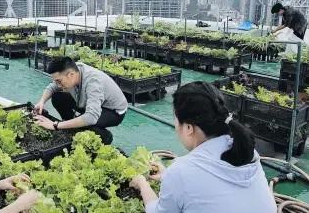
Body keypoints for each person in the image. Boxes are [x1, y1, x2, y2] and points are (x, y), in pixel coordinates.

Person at [130, 81, 276, 213]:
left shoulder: (180, 171)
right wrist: (168, 177)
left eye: (175, 119)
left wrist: (143, 184)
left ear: (188, 128)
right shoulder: (246, 152)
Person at [33, 56, 128, 143]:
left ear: (71, 75)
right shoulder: (74, 69)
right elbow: (52, 87)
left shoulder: (93, 82)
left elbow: (91, 117)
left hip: (112, 111)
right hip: (87, 102)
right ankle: (70, 126)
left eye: (59, 81)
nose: (58, 85)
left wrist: (55, 125)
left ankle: (105, 137)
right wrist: (41, 102)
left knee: (86, 123)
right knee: (58, 97)